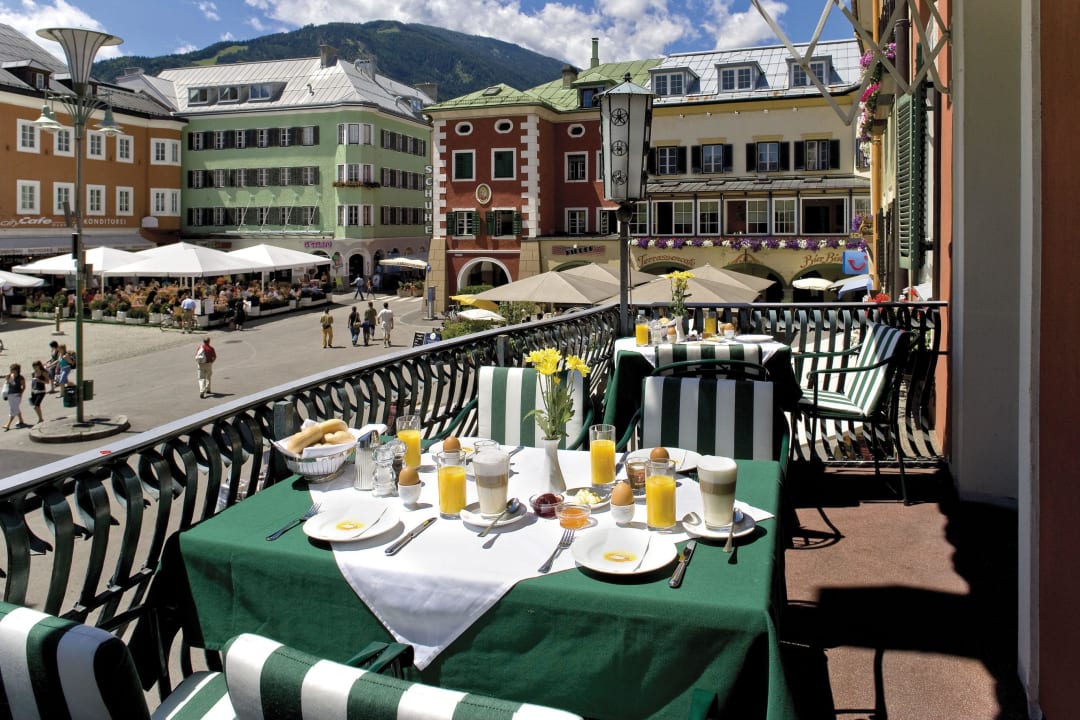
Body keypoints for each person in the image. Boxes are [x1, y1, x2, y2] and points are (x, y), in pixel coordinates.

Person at [4, 363, 28, 430]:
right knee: (15, 408)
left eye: (12, 370)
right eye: (11, 369)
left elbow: (24, 386)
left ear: (17, 370)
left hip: (17, 395)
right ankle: (21, 420)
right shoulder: (10, 376)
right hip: (10, 394)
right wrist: (7, 379)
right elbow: (6, 385)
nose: (11, 371)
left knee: (13, 409)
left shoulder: (21, 377)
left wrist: (21, 393)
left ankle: (8, 425)